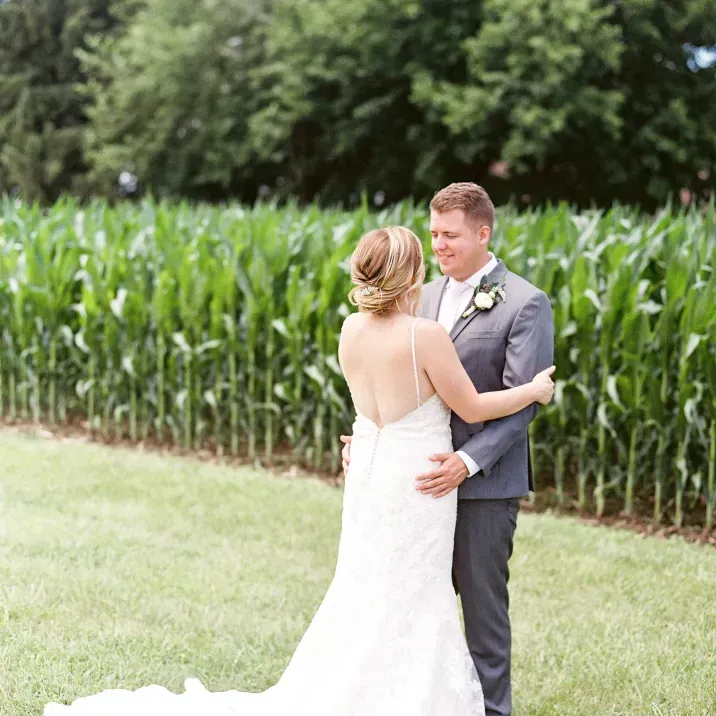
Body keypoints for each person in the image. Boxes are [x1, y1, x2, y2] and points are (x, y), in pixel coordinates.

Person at [45, 223, 554, 716]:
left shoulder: (351, 329)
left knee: (368, 586)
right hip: (419, 482)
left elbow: (371, 412)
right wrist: (533, 391)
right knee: (414, 593)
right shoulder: (425, 335)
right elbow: (470, 406)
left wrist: (364, 440)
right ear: (410, 275)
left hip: (372, 476)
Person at [341, 183, 555, 716]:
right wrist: (369, 437)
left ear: (483, 233)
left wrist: (467, 460)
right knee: (412, 604)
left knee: (483, 613)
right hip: (415, 484)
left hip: (483, 483)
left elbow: (521, 405)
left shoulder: (527, 303)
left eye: (450, 235)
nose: (439, 245)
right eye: (433, 234)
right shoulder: (421, 296)